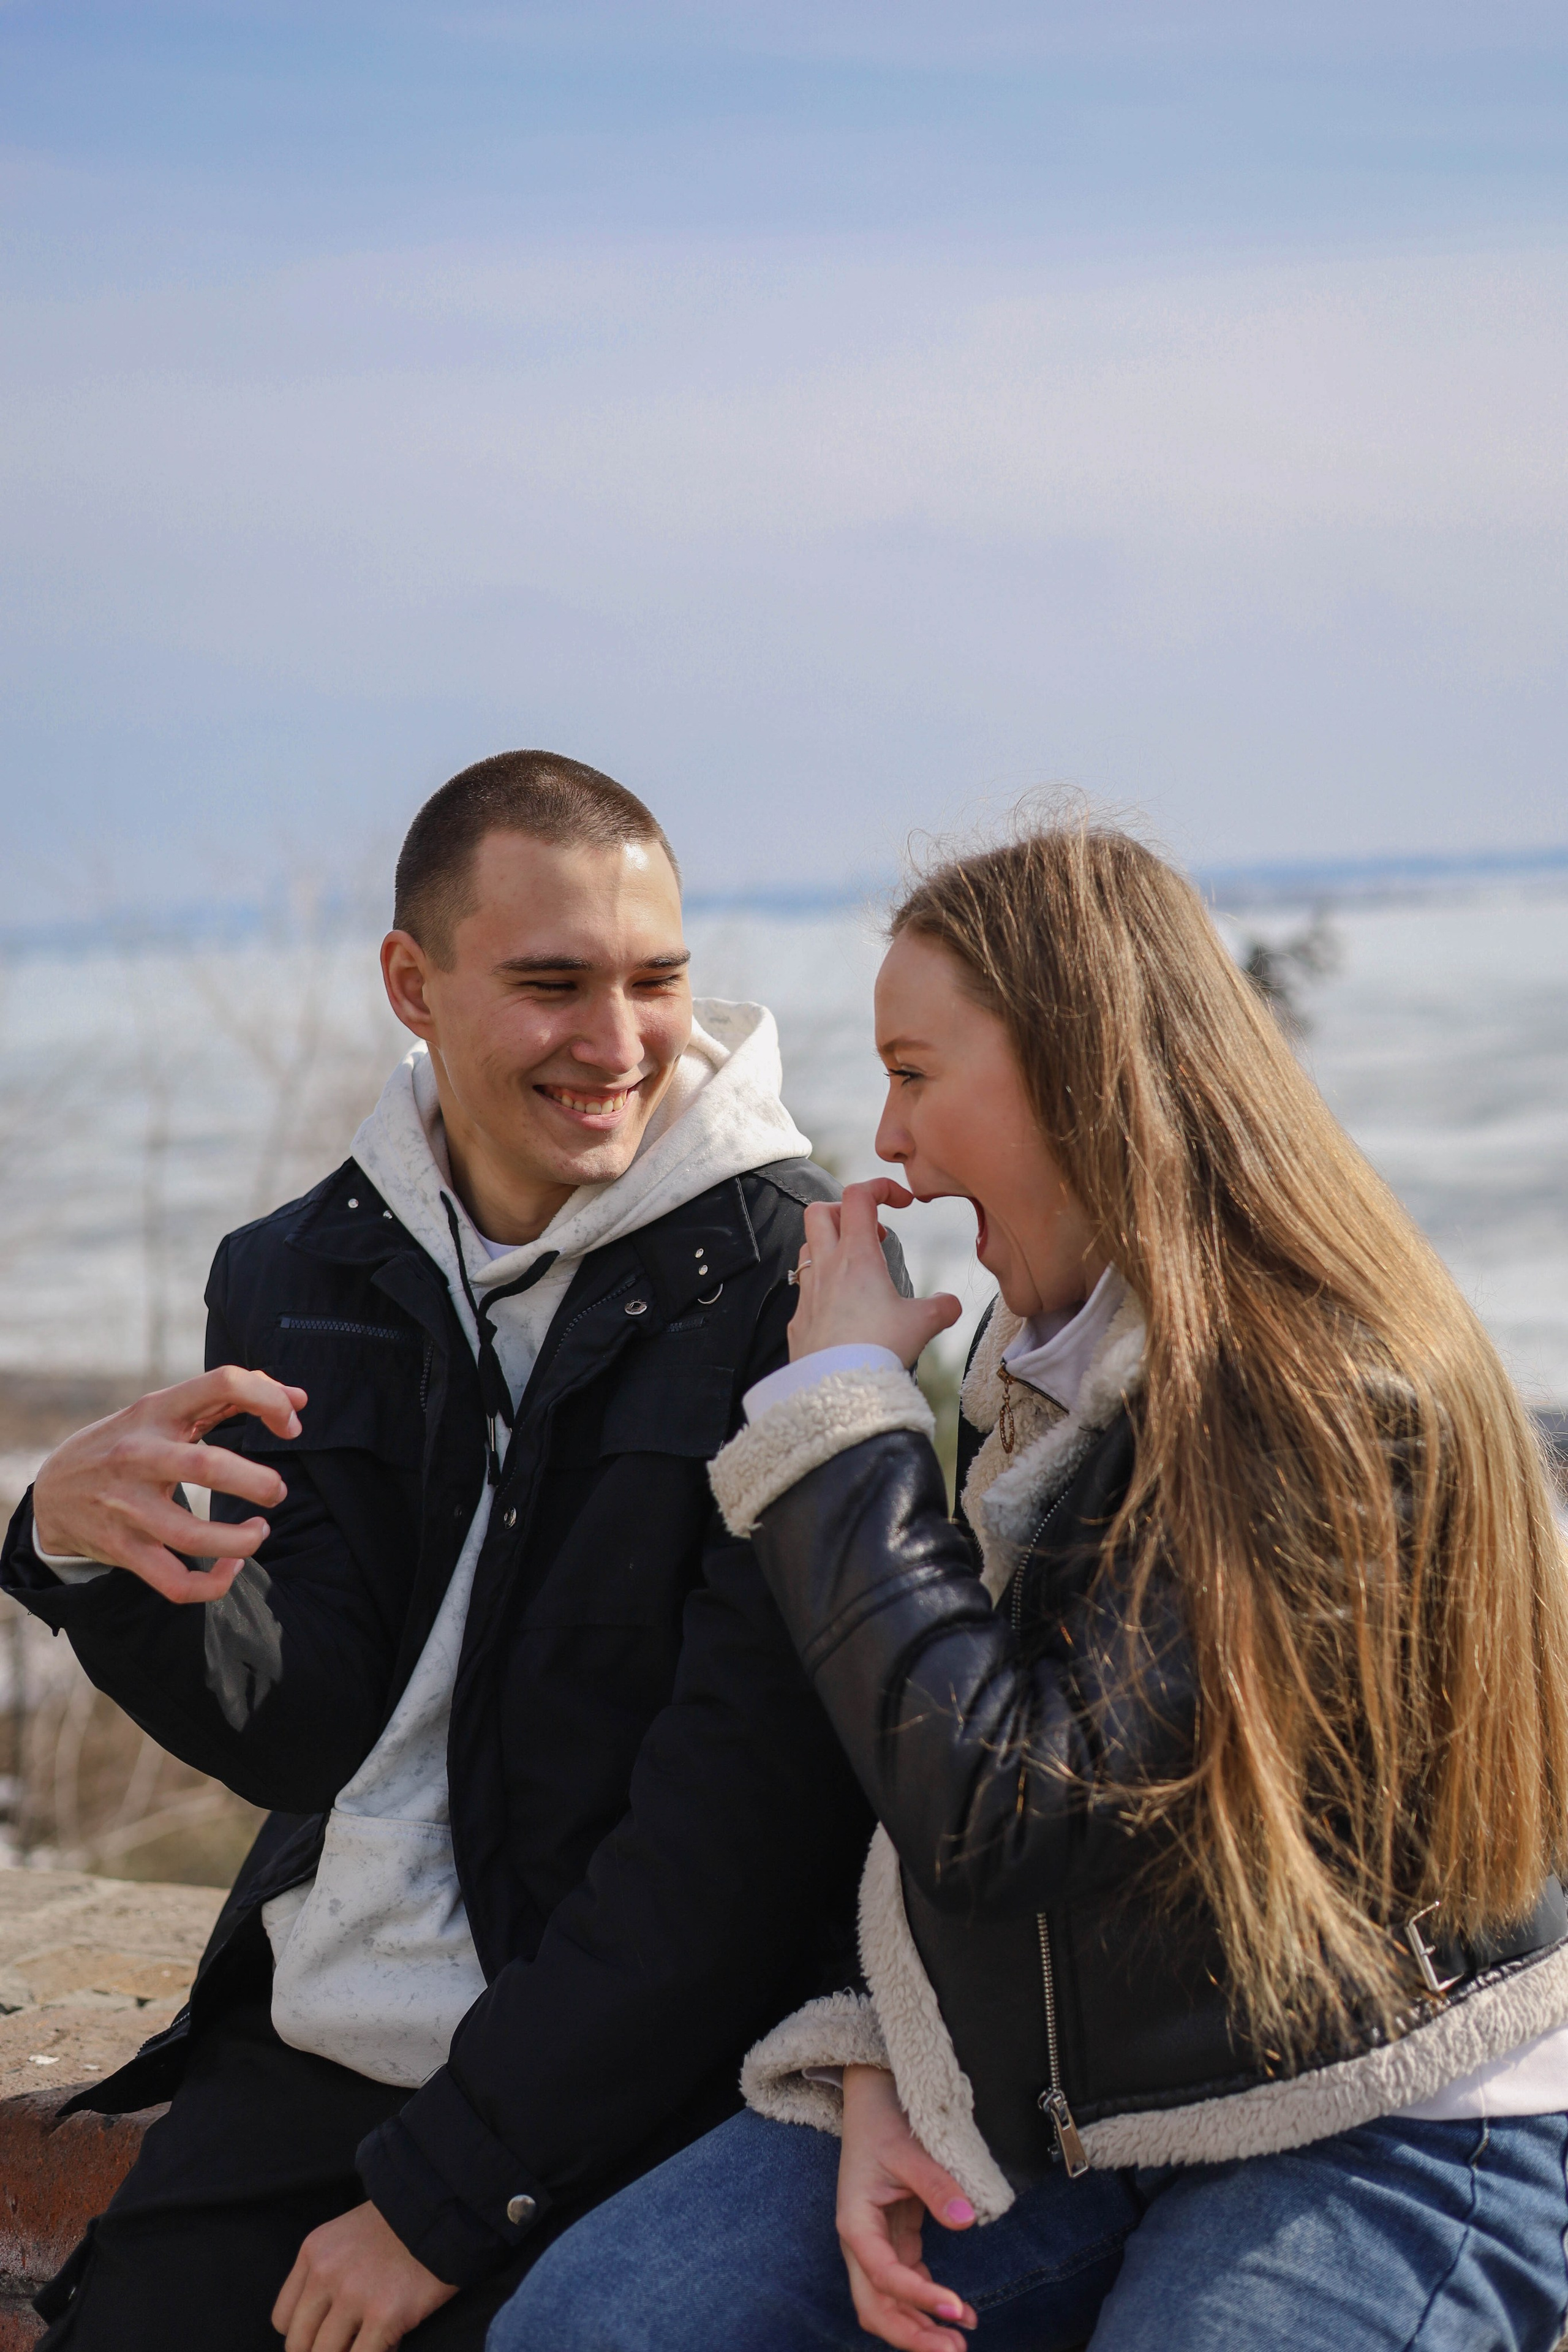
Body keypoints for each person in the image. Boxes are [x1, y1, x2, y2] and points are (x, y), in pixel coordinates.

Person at [493, 816, 1568, 2352]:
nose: (889, 1143)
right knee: (599, 2328)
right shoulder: (1048, 1357)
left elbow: (1008, 1806)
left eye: (917, 1073)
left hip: (1378, 2115)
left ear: (1076, 1070)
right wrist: (879, 2053)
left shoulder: (1317, 1400)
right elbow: (936, 1752)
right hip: (1096, 2103)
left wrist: (845, 1420)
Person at [0, 750, 889, 2351]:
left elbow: (734, 1845)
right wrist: (78, 1556)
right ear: (414, 983)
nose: (616, 1043)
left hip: (623, 2086)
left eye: (657, 981)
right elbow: (309, 1723)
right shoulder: (297, 1269)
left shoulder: (789, 1288)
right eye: (553, 984)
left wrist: (446, 2200)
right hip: (311, 2042)